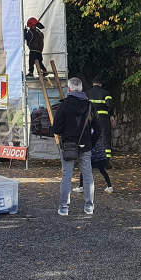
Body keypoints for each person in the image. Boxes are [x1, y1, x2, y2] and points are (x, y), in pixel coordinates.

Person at [53, 77, 102, 216]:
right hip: (85, 145)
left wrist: (65, 135)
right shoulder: (90, 106)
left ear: (69, 89)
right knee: (88, 176)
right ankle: (89, 207)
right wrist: (91, 143)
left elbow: (56, 128)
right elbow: (98, 129)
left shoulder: (64, 105)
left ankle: (64, 208)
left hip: (68, 146)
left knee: (67, 176)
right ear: (81, 89)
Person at [86, 77, 115, 167]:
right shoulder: (106, 93)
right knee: (106, 137)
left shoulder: (87, 93)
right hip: (103, 118)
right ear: (101, 84)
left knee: (89, 137)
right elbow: (110, 105)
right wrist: (111, 115)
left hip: (90, 119)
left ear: (93, 84)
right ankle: (106, 161)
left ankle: (90, 160)